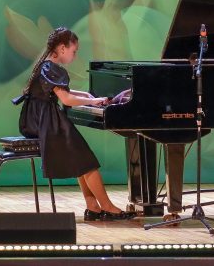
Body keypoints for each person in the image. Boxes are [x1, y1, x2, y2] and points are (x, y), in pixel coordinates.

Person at [19, 27, 134, 221]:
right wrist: (92, 101)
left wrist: (88, 96)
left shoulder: (46, 66)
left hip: (40, 119)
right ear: (62, 48)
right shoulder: (51, 68)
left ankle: (93, 207)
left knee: (81, 161)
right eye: (74, 51)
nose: (75, 55)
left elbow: (63, 92)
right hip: (47, 122)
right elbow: (66, 99)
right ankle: (107, 206)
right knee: (88, 162)